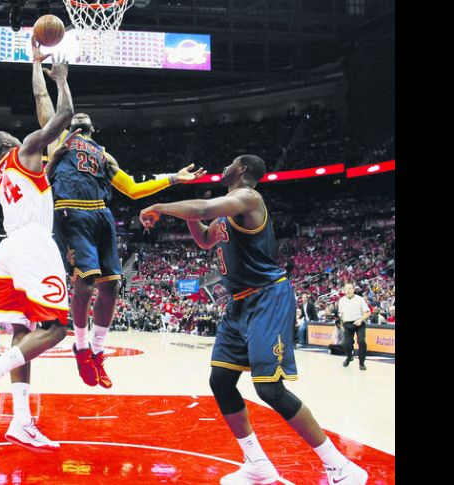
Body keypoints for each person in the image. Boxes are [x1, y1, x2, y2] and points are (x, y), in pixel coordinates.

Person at [139, 154, 367, 484]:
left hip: (267, 296)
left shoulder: (248, 198)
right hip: (238, 304)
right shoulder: (224, 213)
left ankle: (339, 466)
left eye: (230, 163)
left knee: (269, 388)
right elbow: (204, 237)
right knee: (220, 381)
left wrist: (160, 206)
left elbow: (204, 210)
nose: (225, 166)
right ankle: (257, 463)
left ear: (242, 169)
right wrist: (185, 207)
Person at [30, 38, 202, 389]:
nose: (78, 116)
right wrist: (40, 68)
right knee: (86, 280)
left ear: (93, 127)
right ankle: (79, 348)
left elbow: (134, 190)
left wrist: (173, 178)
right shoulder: (59, 141)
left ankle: (97, 351)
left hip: (101, 215)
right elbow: (42, 102)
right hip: (71, 213)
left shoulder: (104, 156)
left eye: (82, 117)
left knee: (112, 285)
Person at [0, 56, 74, 451]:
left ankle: (21, 422)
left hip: (10, 249)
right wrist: (60, 79)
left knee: (23, 333)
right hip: (34, 243)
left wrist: (34, 60)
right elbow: (64, 117)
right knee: (57, 327)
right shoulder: (25, 150)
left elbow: (55, 152)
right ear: (10, 144)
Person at [337, 282, 371, 370]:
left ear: (353, 290)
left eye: (350, 288)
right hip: (347, 324)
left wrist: (360, 320)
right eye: (346, 289)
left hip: (359, 323)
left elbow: (368, 313)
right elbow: (341, 314)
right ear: (344, 290)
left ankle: (361, 363)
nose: (348, 290)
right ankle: (349, 357)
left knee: (361, 341)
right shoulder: (341, 300)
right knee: (346, 344)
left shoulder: (360, 299)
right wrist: (342, 324)